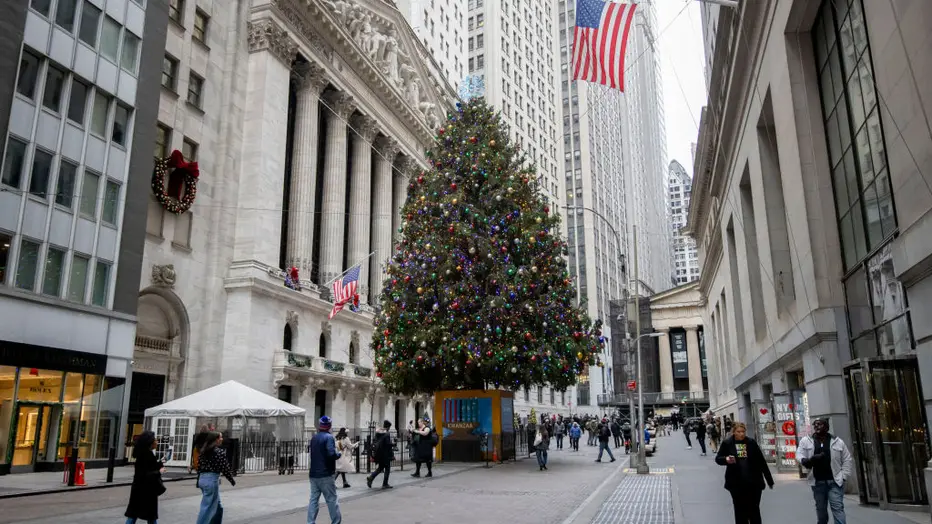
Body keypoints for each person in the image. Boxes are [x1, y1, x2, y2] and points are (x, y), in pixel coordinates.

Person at [715, 422, 774, 524]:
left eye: (743, 431)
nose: (741, 434)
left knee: (754, 509)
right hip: (736, 483)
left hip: (754, 483)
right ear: (734, 432)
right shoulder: (727, 443)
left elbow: (761, 461)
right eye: (738, 432)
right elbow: (718, 459)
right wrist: (726, 459)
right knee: (740, 510)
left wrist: (769, 480)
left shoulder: (751, 443)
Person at [797, 418, 852, 524]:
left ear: (826, 427)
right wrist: (804, 460)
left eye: (819, 424)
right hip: (817, 483)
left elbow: (847, 459)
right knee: (821, 512)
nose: (816, 426)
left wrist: (843, 476)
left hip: (834, 482)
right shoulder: (806, 441)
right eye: (815, 425)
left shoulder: (837, 441)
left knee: (838, 509)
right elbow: (799, 453)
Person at [124, 431, 165, 524]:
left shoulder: (143, 454)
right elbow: (146, 474)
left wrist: (160, 463)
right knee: (150, 516)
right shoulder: (147, 455)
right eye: (155, 440)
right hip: (147, 490)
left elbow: (148, 468)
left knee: (133, 514)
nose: (157, 441)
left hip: (138, 489)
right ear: (150, 443)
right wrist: (159, 472)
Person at [195, 431, 236, 524]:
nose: (222, 439)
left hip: (203, 479)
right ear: (216, 440)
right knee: (207, 508)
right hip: (211, 480)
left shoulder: (203, 452)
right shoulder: (219, 452)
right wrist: (231, 480)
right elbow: (224, 468)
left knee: (218, 507)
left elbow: (199, 467)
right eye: (220, 437)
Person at [307, 416, 342, 524]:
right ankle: (336, 522)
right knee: (331, 500)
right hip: (326, 473)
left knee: (313, 500)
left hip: (313, 474)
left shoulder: (314, 438)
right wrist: (338, 454)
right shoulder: (329, 437)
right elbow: (331, 454)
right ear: (329, 426)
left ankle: (310, 522)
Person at [367, 420, 394, 489]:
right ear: (388, 427)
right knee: (387, 469)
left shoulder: (378, 432)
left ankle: (371, 478)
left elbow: (375, 441)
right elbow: (387, 444)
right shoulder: (387, 434)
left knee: (380, 468)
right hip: (386, 454)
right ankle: (385, 484)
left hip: (379, 454)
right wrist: (393, 444)